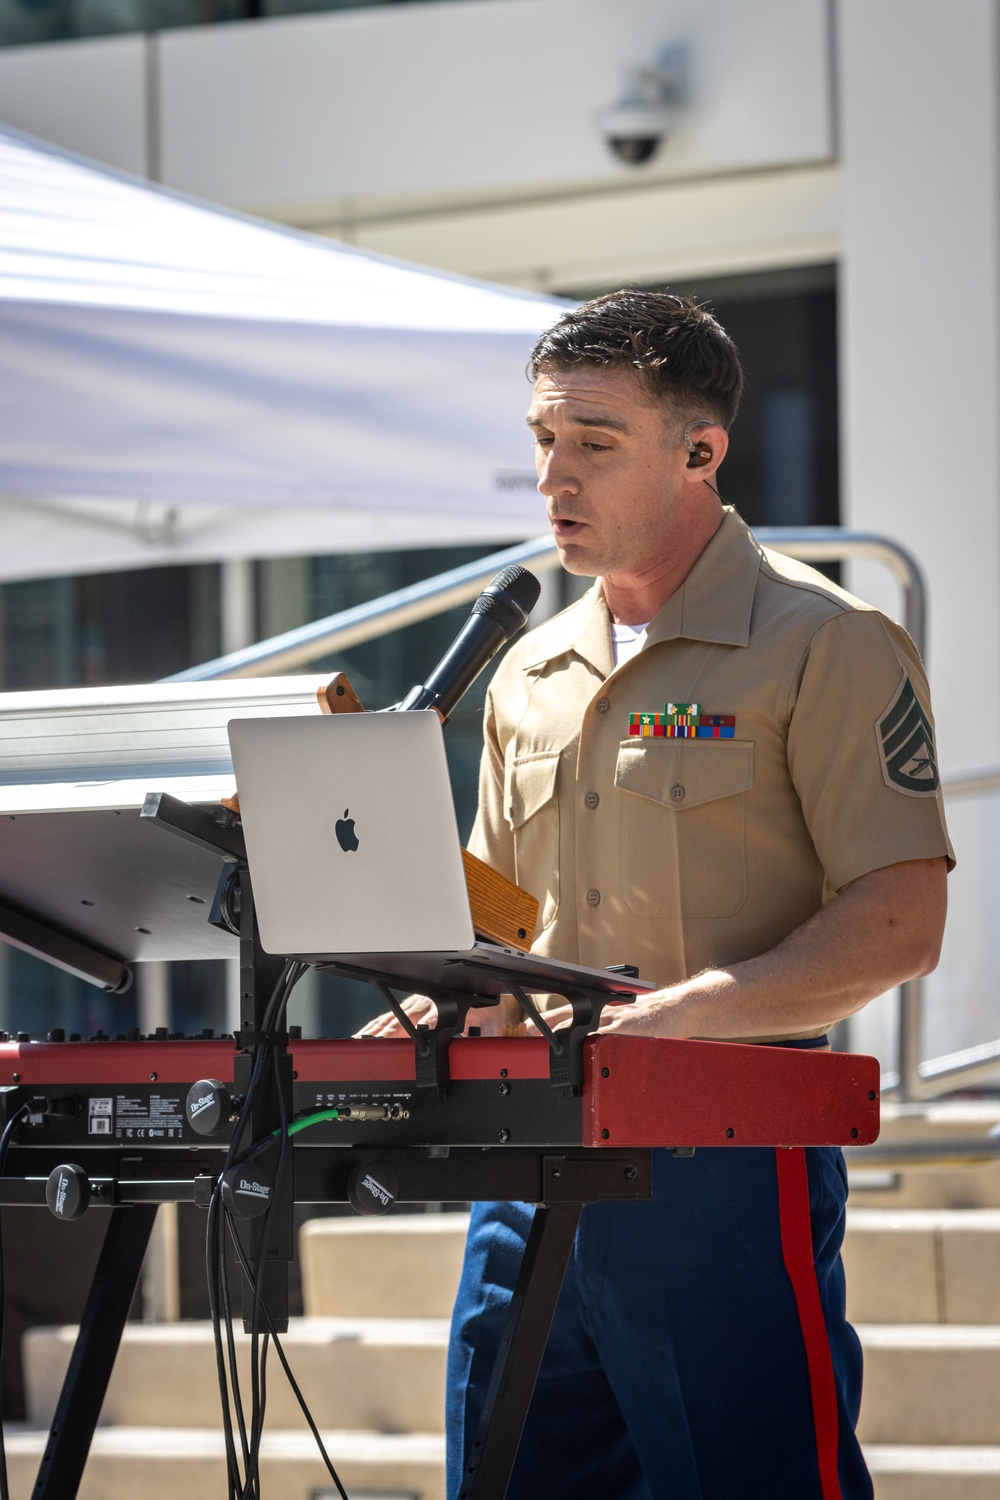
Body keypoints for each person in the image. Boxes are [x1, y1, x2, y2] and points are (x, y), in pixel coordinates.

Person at [362, 290, 953, 1499]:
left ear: (700, 453)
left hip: (720, 1155)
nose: (551, 476)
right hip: (522, 1157)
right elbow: (499, 922)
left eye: (593, 440)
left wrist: (682, 1012)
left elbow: (901, 918)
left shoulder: (825, 642)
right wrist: (442, 999)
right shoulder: (524, 666)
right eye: (540, 439)